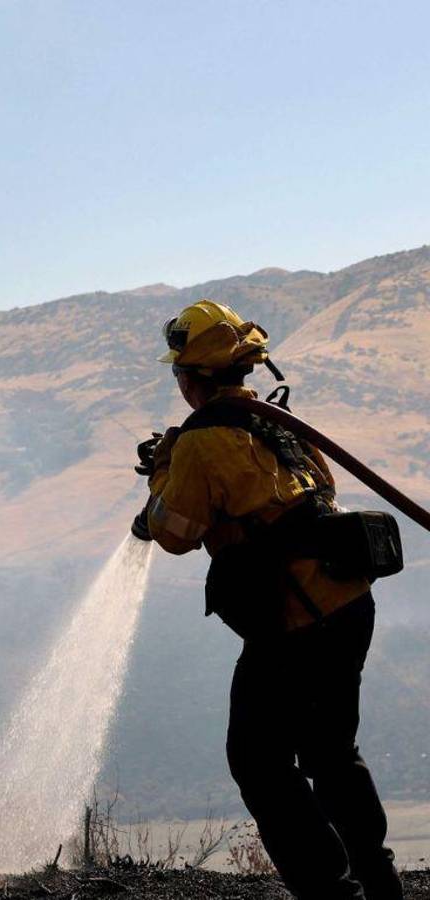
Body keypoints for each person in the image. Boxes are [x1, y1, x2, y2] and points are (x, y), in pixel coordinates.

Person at [131, 300, 402, 900]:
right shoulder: (276, 423)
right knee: (332, 754)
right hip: (349, 603)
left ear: (191, 378)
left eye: (179, 371)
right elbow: (322, 488)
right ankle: (380, 882)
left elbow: (174, 532)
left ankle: (330, 892)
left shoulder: (200, 444)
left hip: (295, 621)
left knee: (257, 760)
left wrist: (161, 473)